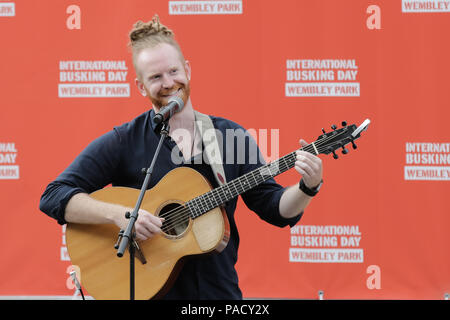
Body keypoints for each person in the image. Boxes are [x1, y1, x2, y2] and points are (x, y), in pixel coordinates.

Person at [39, 15, 323, 299]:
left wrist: (307, 187)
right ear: (140, 86)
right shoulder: (126, 140)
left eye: (173, 71)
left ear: (187, 70)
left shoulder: (230, 136)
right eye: (155, 77)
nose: (168, 83)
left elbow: (274, 208)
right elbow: (54, 196)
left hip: (217, 296)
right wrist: (120, 216)